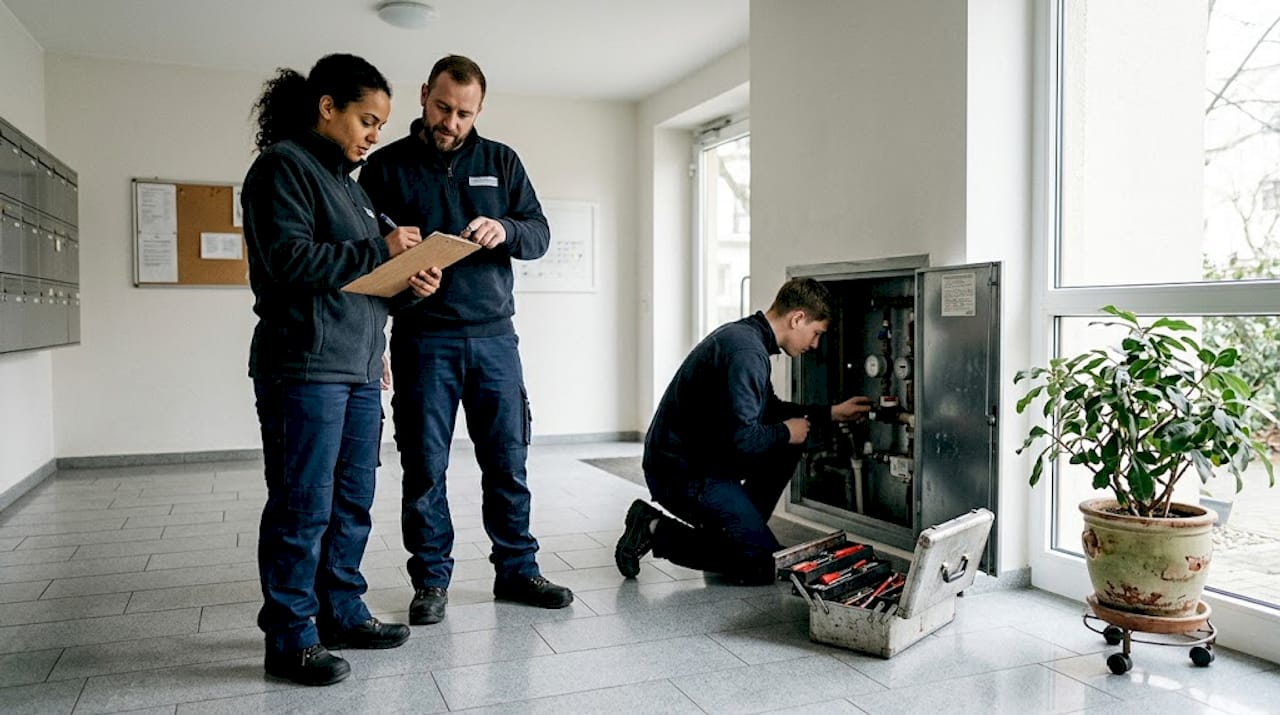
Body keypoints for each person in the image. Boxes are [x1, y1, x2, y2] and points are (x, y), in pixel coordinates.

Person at [242, 53, 442, 686]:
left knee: (353, 500)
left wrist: (410, 283)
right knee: (304, 505)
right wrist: (380, 248)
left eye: (380, 125)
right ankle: (291, 637)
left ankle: (341, 610)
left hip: (356, 369)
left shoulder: (352, 187)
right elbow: (288, 263)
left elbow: (361, 281)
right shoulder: (282, 169)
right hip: (304, 367)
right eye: (367, 119)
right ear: (326, 107)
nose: (373, 135)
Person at [360, 54, 572, 625]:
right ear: (424, 94)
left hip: (495, 341)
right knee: (424, 467)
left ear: (479, 111)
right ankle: (430, 580)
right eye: (443, 108)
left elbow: (540, 233)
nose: (451, 122)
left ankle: (518, 570)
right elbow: (369, 263)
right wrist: (406, 284)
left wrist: (505, 229)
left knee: (508, 461)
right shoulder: (384, 168)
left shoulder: (501, 161)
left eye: (464, 113)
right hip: (422, 340)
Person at [615, 278, 872, 585]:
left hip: (703, 461)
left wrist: (830, 413)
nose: (814, 344)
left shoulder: (748, 339)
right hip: (682, 473)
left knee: (793, 437)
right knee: (762, 566)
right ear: (798, 318)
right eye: (815, 333)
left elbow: (770, 409)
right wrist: (785, 432)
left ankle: (740, 531)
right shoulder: (746, 353)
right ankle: (654, 528)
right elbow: (742, 438)